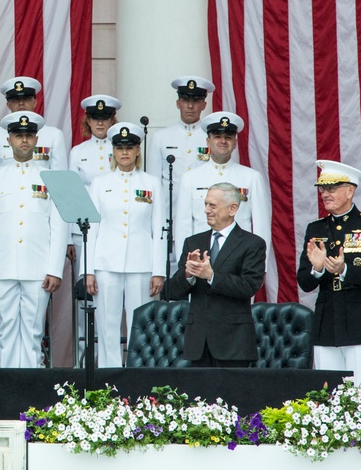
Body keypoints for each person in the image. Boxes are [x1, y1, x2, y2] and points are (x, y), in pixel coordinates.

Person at [0, 112, 68, 368]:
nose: (24, 140)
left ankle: (31, 388)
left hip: (38, 266)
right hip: (2, 265)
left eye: (29, 135)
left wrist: (54, 269)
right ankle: (9, 385)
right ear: (9, 139)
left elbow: (58, 227)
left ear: (37, 138)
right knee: (5, 330)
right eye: (19, 135)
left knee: (33, 330)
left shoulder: (52, 177)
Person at [297, 160, 361, 394]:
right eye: (322, 188)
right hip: (327, 320)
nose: (325, 194)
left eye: (332, 188)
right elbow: (304, 282)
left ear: (350, 191)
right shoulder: (316, 229)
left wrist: (345, 270)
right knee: (327, 396)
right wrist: (317, 269)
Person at [85, 122, 166, 368]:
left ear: (138, 150)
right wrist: (88, 269)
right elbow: (92, 228)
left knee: (141, 326)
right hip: (106, 264)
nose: (125, 153)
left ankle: (138, 377)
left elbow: (159, 229)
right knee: (107, 326)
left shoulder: (152, 183)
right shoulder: (99, 183)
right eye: (120, 148)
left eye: (130, 147)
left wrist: (159, 271)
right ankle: (107, 377)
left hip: (142, 265)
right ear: (113, 151)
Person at [165, 182, 265, 367]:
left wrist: (211, 276)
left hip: (233, 343)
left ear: (232, 208)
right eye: (205, 204)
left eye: (213, 205)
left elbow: (249, 286)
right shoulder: (193, 242)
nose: (206, 210)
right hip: (198, 344)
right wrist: (188, 274)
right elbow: (171, 292)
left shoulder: (252, 243)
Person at [174, 112, 271, 262]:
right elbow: (183, 226)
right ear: (208, 141)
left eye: (228, 137)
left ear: (235, 143)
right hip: (201, 258)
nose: (223, 141)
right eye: (217, 137)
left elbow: (261, 226)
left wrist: (260, 265)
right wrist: (186, 264)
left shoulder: (252, 178)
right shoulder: (191, 178)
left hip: (240, 259)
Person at [146, 76, 214, 210]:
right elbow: (154, 183)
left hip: (204, 211)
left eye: (195, 101)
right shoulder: (160, 138)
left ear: (204, 105)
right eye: (185, 100)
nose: (190, 106)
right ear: (178, 103)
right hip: (171, 211)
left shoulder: (212, 138)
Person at [68, 94, 122, 261]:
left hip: (114, 223)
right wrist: (69, 237)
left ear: (112, 121)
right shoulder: (78, 151)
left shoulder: (122, 150)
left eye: (105, 118)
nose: (100, 123)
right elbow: (72, 194)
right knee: (84, 279)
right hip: (83, 225)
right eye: (95, 118)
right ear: (88, 121)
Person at [0, 77, 68, 172]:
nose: (21, 103)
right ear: (8, 105)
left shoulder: (54, 135)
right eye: (16, 100)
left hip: (40, 187)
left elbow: (60, 177)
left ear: (35, 102)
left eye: (26, 99)